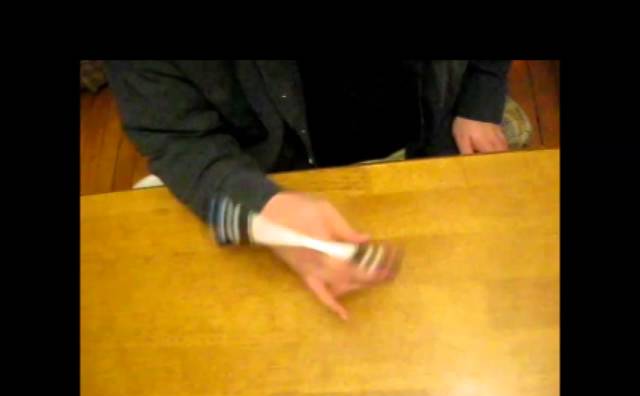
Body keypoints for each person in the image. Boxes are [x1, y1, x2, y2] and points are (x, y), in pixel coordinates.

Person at [106, 60, 518, 320]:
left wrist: (480, 96)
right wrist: (259, 208)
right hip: (268, 174)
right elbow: (176, 137)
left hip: (433, 137)